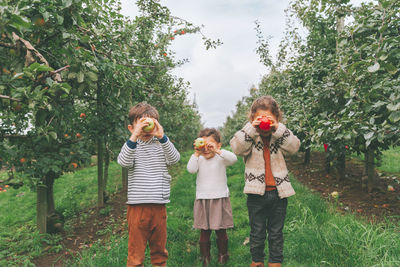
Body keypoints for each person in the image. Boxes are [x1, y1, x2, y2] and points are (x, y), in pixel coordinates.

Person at [230, 96, 300, 267]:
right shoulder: (251, 138)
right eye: (259, 119)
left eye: (269, 119)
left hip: (279, 193)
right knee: (257, 231)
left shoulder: (279, 137)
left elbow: (294, 147)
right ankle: (257, 261)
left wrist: (278, 128)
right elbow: (237, 147)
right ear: (252, 120)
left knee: (276, 232)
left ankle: (275, 262)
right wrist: (251, 128)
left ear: (277, 119)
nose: (264, 123)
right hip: (256, 194)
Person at [117, 102, 180, 267]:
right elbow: (123, 162)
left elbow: (175, 159)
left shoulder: (161, 146)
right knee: (136, 253)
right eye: (141, 125)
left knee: (159, 251)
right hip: (137, 208)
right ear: (132, 128)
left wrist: (162, 136)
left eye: (150, 124)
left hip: (159, 207)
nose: (146, 129)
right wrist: (134, 137)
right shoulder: (132, 147)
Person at [187, 128, 237, 266]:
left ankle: (223, 255)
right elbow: (191, 169)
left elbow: (233, 159)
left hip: (220, 198)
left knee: (221, 230)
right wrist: (197, 153)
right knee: (205, 231)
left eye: (211, 145)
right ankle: (206, 258)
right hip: (203, 199)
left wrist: (218, 151)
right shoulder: (199, 159)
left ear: (218, 145)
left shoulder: (221, 158)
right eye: (204, 145)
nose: (207, 149)